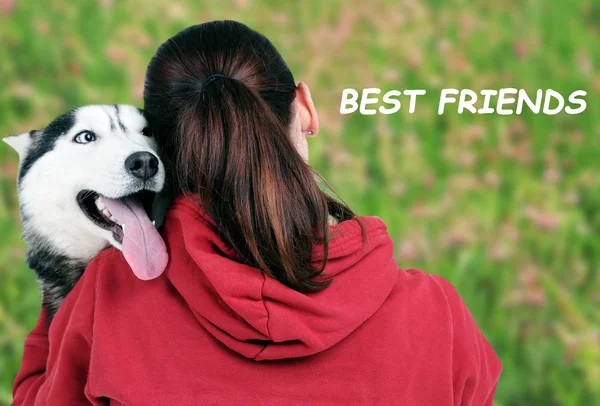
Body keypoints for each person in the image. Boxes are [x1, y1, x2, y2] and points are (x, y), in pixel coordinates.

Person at [12, 20, 501, 405]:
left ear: (167, 147)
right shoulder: (438, 315)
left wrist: (63, 281)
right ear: (305, 109)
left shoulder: (106, 297)